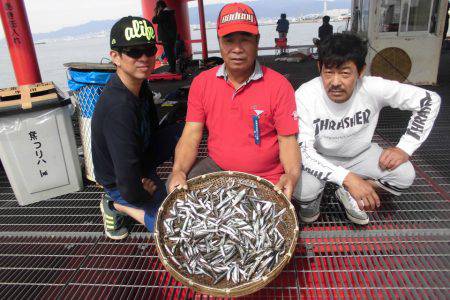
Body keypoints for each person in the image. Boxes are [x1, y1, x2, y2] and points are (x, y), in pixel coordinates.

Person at [294, 33, 441, 225]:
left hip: (360, 154)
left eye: (345, 73)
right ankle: (313, 201)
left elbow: (429, 100)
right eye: (328, 72)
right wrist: (347, 177)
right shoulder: (306, 94)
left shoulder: (373, 87)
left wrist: (405, 147)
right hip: (320, 156)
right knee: (304, 191)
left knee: (404, 175)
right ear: (319, 67)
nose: (335, 82)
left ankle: (348, 194)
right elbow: (303, 151)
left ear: (361, 71)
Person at [167, 3, 300, 200]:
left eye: (245, 39)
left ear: (257, 41)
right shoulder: (201, 83)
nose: (237, 49)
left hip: (267, 176)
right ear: (219, 41)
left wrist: (291, 175)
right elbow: (191, 135)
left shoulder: (279, 85)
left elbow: (287, 141)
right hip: (217, 168)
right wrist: (178, 170)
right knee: (174, 186)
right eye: (229, 40)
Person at [91, 16, 182, 240]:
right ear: (116, 57)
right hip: (118, 180)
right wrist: (140, 193)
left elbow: (152, 129)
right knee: (172, 227)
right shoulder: (118, 107)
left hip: (138, 158)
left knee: (186, 129)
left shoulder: (141, 86)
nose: (144, 58)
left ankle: (176, 176)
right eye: (133, 52)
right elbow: (128, 182)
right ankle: (115, 205)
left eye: (149, 50)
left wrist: (177, 169)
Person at [152, 0, 177, 73]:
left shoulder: (164, 13)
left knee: (169, 53)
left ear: (159, 6)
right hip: (171, 36)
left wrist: (158, 12)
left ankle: (172, 69)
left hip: (167, 37)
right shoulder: (169, 13)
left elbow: (154, 20)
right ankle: (173, 68)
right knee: (171, 52)